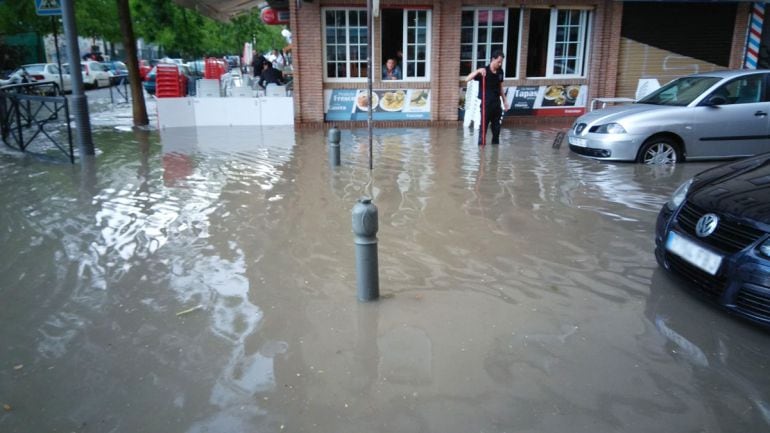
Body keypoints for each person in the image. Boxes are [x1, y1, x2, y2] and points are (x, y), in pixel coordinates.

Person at [465, 51, 508, 145]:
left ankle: (494, 154)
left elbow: (500, 87)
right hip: (486, 105)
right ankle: (481, 153)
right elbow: (467, 79)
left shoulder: (500, 71)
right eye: (498, 62)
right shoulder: (483, 71)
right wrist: (478, 71)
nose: (500, 64)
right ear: (493, 59)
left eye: (501, 62)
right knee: (483, 131)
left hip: (497, 105)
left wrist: (505, 101)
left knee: (496, 131)